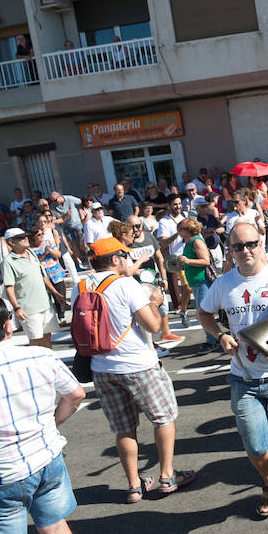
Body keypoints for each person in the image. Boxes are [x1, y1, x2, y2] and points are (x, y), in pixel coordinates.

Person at [73, 237, 196, 503]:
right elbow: (152, 326)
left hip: (102, 368)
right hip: (138, 364)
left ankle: (133, 485)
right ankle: (166, 475)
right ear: (115, 259)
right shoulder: (125, 285)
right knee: (163, 418)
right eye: (125, 256)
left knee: (124, 428)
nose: (128, 260)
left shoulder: (80, 286)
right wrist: (153, 300)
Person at [197, 223, 268, 516]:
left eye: (251, 244)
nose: (245, 251)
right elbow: (204, 313)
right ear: (229, 251)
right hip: (243, 376)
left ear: (261, 244)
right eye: (237, 246)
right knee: (255, 444)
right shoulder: (223, 284)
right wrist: (220, 335)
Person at [0, 296, 85, 534]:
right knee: (55, 527)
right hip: (47, 455)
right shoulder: (40, 356)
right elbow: (77, 394)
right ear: (7, 326)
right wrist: (54, 420)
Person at [124, 215, 183, 346]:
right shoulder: (126, 241)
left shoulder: (149, 237)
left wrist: (164, 277)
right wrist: (136, 269)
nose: (135, 229)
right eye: (131, 227)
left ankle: (166, 332)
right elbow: (125, 265)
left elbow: (159, 258)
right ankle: (147, 341)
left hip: (153, 279)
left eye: (138, 226)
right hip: (136, 283)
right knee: (142, 312)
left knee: (163, 306)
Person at [3, 228, 65, 349]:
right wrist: (17, 308)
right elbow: (9, 288)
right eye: (21, 237)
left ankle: (50, 364)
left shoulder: (31, 253)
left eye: (25, 236)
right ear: (11, 242)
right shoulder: (9, 262)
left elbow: (44, 277)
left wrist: (56, 293)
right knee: (35, 342)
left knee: (47, 338)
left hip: (46, 304)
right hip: (29, 309)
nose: (25, 238)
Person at [176, 217, 216, 352]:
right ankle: (213, 339)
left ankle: (212, 341)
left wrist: (187, 261)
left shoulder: (196, 241)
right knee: (203, 313)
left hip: (202, 281)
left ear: (187, 230)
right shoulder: (188, 243)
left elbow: (206, 261)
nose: (178, 231)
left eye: (180, 228)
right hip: (196, 282)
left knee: (203, 313)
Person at [156, 194, 189, 326]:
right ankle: (181, 310)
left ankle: (185, 311)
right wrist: (177, 234)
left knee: (190, 288)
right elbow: (162, 243)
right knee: (181, 288)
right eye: (175, 204)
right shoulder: (164, 221)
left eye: (179, 203)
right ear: (169, 206)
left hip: (188, 257)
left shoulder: (185, 217)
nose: (178, 206)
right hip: (174, 259)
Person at [49, 191, 84, 266]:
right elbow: (59, 217)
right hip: (66, 225)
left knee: (82, 242)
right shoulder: (54, 206)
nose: (55, 202)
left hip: (76, 223)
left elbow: (80, 202)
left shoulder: (69, 198)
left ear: (60, 196)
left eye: (56, 200)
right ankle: (79, 261)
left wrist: (80, 211)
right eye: (53, 201)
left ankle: (85, 257)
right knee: (73, 243)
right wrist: (65, 215)